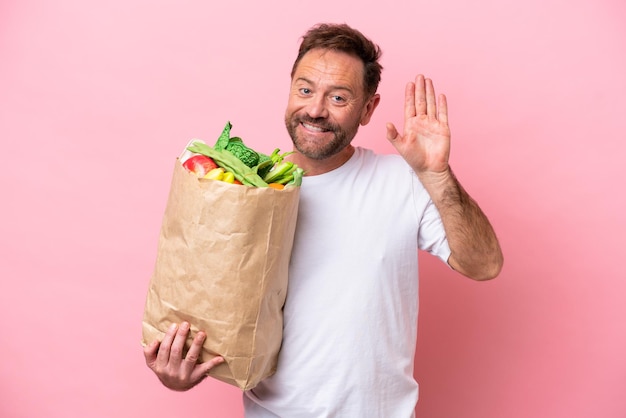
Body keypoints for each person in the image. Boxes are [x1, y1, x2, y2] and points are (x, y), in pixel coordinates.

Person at [143, 23, 503, 417]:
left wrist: (436, 175)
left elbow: (484, 265)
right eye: (305, 89)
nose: (315, 109)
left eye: (338, 97)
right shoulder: (249, 192)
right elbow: (211, 309)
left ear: (367, 109)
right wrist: (176, 368)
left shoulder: (402, 180)